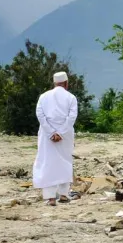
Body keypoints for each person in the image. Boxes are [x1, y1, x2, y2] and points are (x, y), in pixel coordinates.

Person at [33, 72, 78, 206]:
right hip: (66, 135)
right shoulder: (71, 97)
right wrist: (61, 133)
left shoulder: (43, 96)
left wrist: (51, 133)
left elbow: (40, 115)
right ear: (66, 83)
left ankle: (51, 198)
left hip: (47, 136)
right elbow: (72, 117)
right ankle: (64, 194)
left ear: (54, 83)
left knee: (48, 162)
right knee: (65, 161)